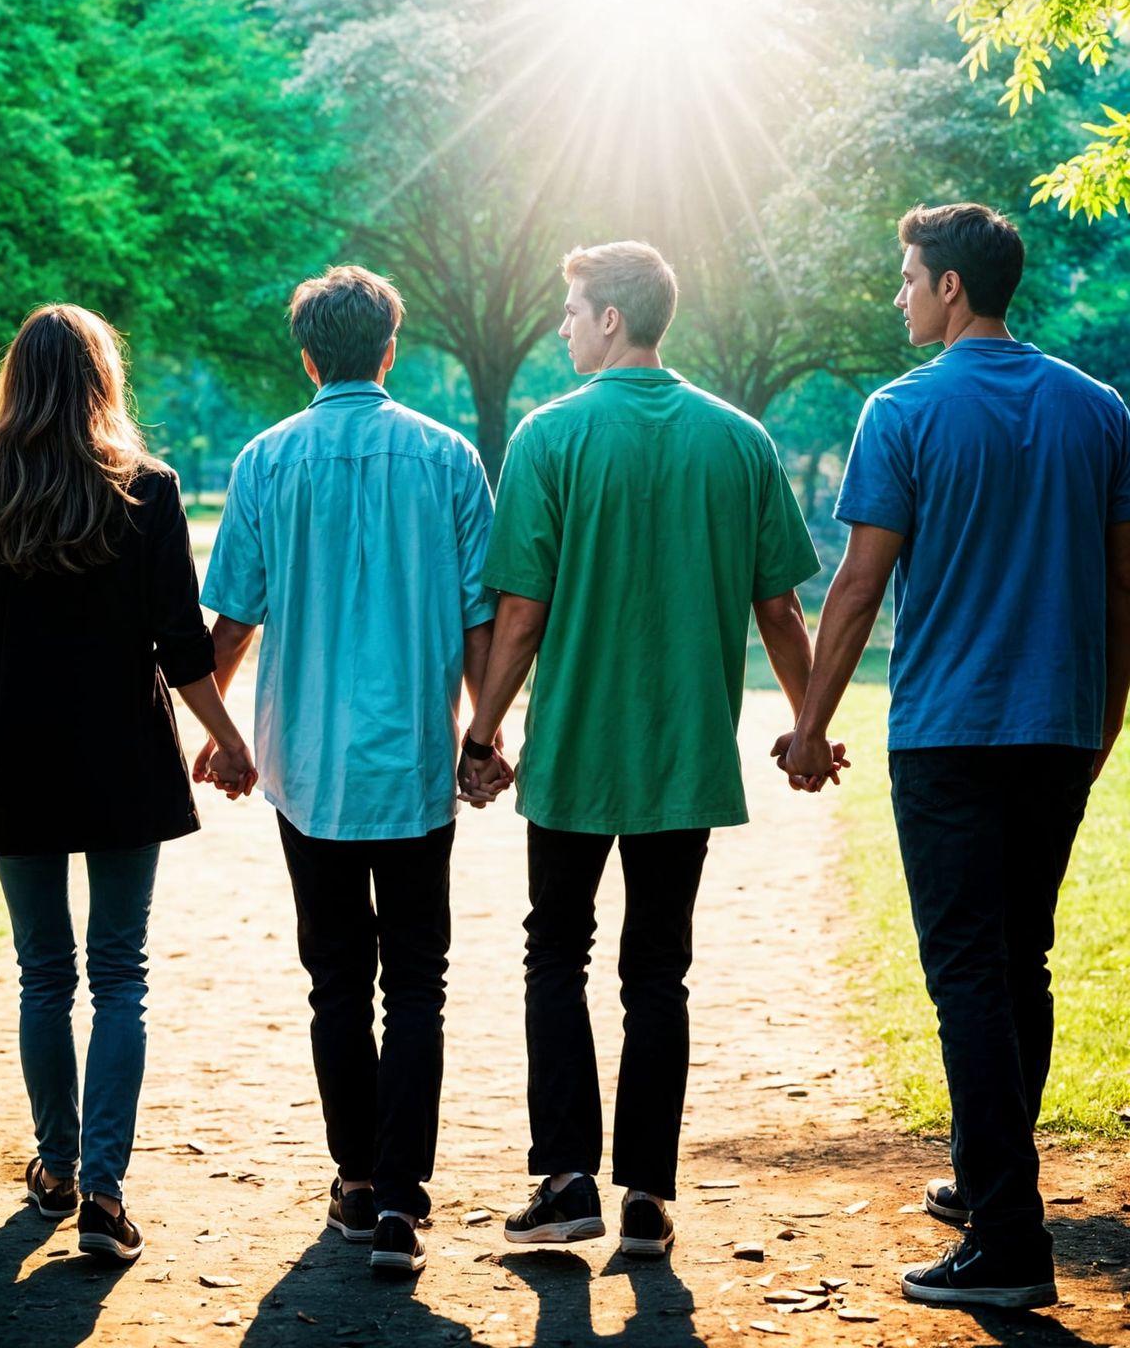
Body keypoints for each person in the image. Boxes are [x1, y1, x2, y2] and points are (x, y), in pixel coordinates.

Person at [777, 203, 1130, 1310]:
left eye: (907, 276)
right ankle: (993, 1183)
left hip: (949, 733)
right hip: (1058, 727)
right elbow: (1125, 587)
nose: (897, 295)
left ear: (949, 291)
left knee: (969, 973)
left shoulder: (904, 410)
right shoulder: (1098, 408)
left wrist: (807, 723)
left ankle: (1009, 1242)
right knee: (1018, 959)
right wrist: (1103, 719)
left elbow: (857, 583)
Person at [459, 240, 835, 1259]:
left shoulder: (549, 437)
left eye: (571, 310)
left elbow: (521, 614)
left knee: (557, 952)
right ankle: (647, 1196)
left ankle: (568, 1177)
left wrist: (484, 732)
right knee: (657, 971)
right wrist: (807, 728)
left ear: (611, 318)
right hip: (684, 752)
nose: (562, 326)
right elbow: (781, 608)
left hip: (576, 749)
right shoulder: (740, 440)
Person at [0, 303, 255, 1266]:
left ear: (15, 383)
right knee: (119, 974)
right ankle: (104, 1190)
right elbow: (180, 644)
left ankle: (58, 1164)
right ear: (103, 381)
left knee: (43, 973)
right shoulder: (147, 491)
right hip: (122, 761)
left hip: (16, 761)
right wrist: (227, 738)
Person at [198, 265, 499, 1276]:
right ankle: (404, 1200)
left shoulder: (267, 459)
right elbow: (478, 618)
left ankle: (357, 1179)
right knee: (418, 980)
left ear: (308, 354)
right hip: (412, 757)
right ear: (389, 349)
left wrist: (219, 728)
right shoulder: (449, 457)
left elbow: (232, 616)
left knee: (337, 979)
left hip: (307, 764)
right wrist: (482, 731)